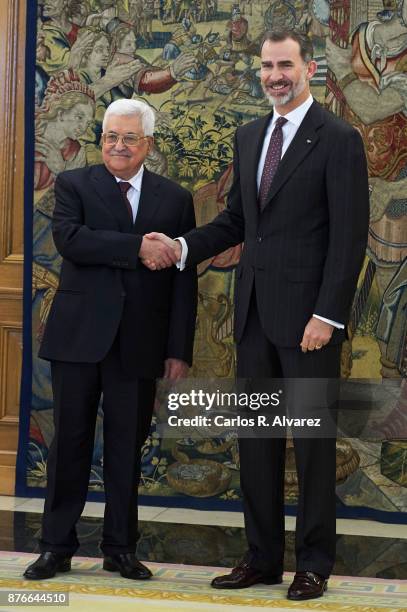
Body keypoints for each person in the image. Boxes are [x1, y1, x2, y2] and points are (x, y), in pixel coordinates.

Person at [143, 28, 369, 600]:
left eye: (285, 64)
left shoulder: (338, 138)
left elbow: (348, 239)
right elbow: (239, 223)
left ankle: (314, 562)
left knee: (313, 444)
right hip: (253, 320)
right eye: (267, 65)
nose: (275, 75)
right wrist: (184, 246)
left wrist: (329, 316)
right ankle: (262, 558)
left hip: (310, 324)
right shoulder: (249, 137)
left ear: (309, 68)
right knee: (258, 443)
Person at [24, 98, 197, 581]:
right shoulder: (75, 184)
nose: (118, 146)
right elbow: (71, 240)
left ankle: (120, 548)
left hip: (140, 343)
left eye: (129, 138)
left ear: (149, 144)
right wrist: (137, 247)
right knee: (70, 444)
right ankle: (55, 546)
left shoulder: (176, 199)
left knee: (126, 447)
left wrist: (178, 348)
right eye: (110, 137)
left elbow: (185, 280)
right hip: (79, 339)